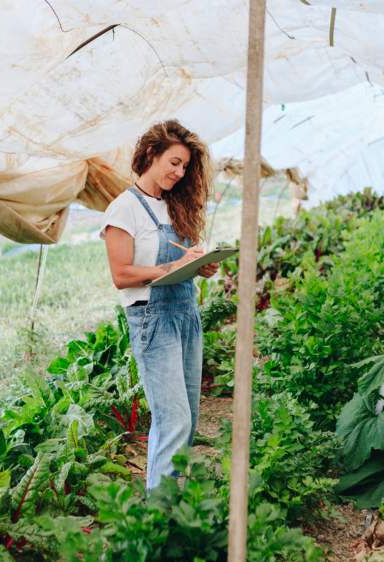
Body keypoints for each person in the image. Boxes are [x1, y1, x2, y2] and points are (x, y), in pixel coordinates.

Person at [100, 119, 216, 490]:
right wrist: (173, 266)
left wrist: (201, 266)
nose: (180, 173)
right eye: (174, 163)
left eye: (185, 167)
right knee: (173, 418)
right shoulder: (124, 209)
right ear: (151, 154)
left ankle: (173, 502)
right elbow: (121, 274)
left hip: (186, 314)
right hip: (153, 318)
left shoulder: (175, 206)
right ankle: (160, 517)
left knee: (190, 417)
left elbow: (182, 263)